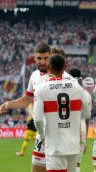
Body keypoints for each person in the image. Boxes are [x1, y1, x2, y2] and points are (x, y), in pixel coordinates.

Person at [33, 54, 91, 172]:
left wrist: (42, 135)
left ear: (48, 67)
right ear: (65, 66)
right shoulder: (77, 87)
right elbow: (87, 113)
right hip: (73, 145)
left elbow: (38, 119)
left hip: (55, 146)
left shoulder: (41, 89)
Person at [0, 42, 51, 172]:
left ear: (50, 57)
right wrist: (9, 104)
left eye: (46, 58)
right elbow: (26, 99)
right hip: (41, 133)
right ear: (34, 58)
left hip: (56, 132)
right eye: (39, 58)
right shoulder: (34, 76)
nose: (43, 62)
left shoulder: (58, 75)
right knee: (36, 169)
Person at [68, 68, 91, 172]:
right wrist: (85, 139)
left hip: (66, 125)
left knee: (64, 161)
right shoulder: (86, 93)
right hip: (81, 126)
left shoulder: (62, 90)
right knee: (77, 163)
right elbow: (87, 117)